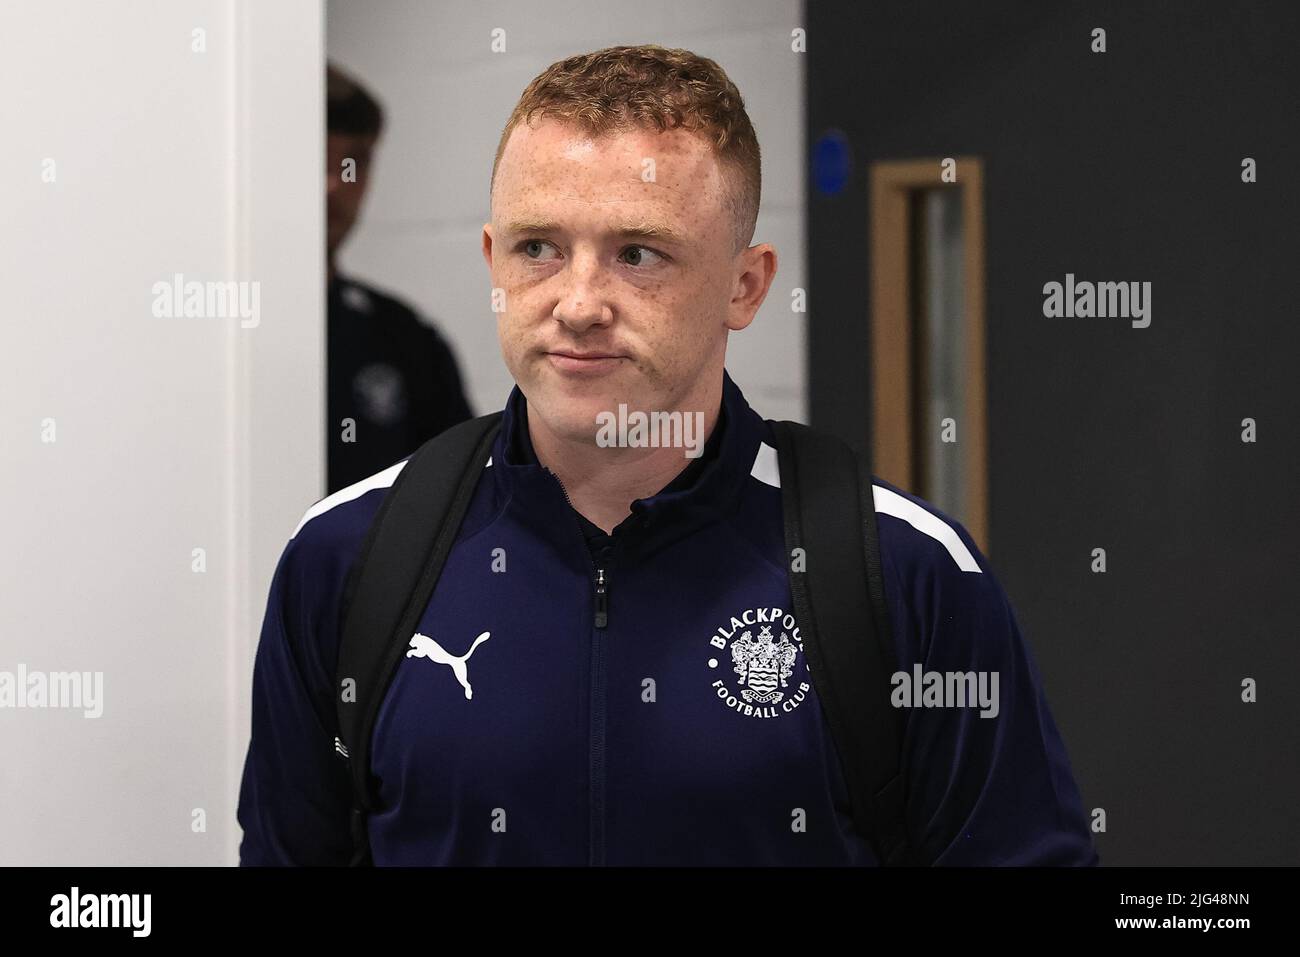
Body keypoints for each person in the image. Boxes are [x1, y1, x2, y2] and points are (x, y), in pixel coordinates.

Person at [238, 45, 1099, 866]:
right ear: (494, 262)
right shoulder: (347, 559)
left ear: (745, 285)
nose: (578, 304)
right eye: (539, 247)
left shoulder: (903, 573)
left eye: (637, 254)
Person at [325, 63, 473, 493]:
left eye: (353, 162)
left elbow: (458, 499)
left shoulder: (404, 340)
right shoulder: (221, 326)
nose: (334, 185)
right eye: (312, 157)